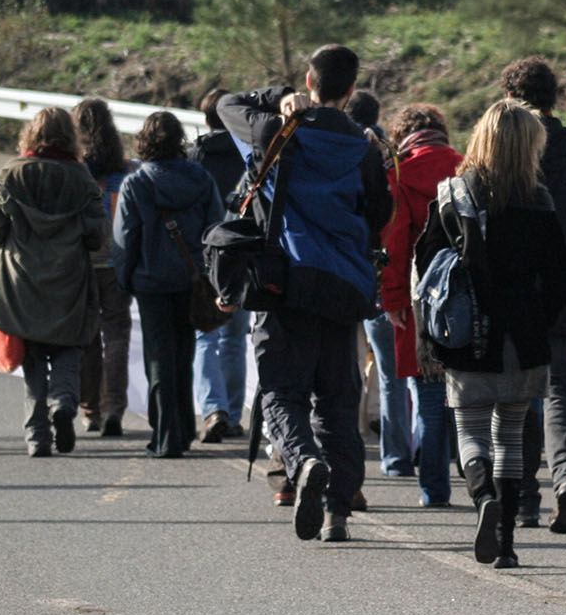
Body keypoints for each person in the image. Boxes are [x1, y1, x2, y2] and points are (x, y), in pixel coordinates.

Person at [220, 44, 393, 544]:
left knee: (281, 392)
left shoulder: (278, 129)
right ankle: (338, 510)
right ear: (353, 90)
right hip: (345, 285)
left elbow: (227, 104)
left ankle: (304, 461)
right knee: (339, 400)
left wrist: (280, 97)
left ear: (308, 81)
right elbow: (379, 216)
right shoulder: (363, 147)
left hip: (286, 282)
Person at [413, 101, 566, 569]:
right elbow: (561, 276)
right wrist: (540, 318)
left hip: (467, 335)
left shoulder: (452, 195)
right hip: (522, 338)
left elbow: (425, 269)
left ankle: (481, 495)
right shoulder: (538, 200)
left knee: (471, 432)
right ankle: (505, 543)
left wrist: (431, 332)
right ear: (529, 147)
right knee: (511, 437)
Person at [500, 57, 566, 534]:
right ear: (554, 98)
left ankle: (523, 501)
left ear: (509, 99)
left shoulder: (501, 150)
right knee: (561, 388)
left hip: (514, 289)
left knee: (518, 393)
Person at [0, 109, 106, 457]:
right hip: (69, 278)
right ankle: (64, 400)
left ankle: (37, 436)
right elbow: (97, 235)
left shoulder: (12, 174)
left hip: (20, 280)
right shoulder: (81, 178)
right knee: (68, 346)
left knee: (34, 355)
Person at [112, 112, 224, 459]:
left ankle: (166, 436)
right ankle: (185, 428)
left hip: (151, 281)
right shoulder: (202, 180)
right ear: (179, 141)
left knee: (158, 358)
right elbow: (216, 228)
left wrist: (126, 278)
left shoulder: (136, 184)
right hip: (191, 279)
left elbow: (125, 238)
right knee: (184, 353)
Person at [380, 103, 465, 508]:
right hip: (466, 299)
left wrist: (393, 300)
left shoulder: (398, 175)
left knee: (429, 400)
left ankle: (435, 489)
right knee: (467, 396)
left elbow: (394, 245)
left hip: (419, 301)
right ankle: (478, 476)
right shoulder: (468, 167)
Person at [346, 89, 412, 480]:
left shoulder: (340, 149)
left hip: (350, 270)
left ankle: (354, 425)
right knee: (388, 371)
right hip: (382, 272)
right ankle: (389, 439)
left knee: (351, 359)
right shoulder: (389, 156)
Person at [189, 88, 250, 444]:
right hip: (240, 255)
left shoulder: (195, 156)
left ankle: (214, 409)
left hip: (203, 256)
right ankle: (233, 414)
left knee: (204, 335)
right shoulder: (251, 154)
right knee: (234, 340)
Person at [74, 98, 135, 437]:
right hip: (117, 263)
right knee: (116, 335)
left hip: (82, 262)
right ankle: (114, 407)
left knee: (86, 336)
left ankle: (90, 411)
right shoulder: (125, 170)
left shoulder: (74, 169)